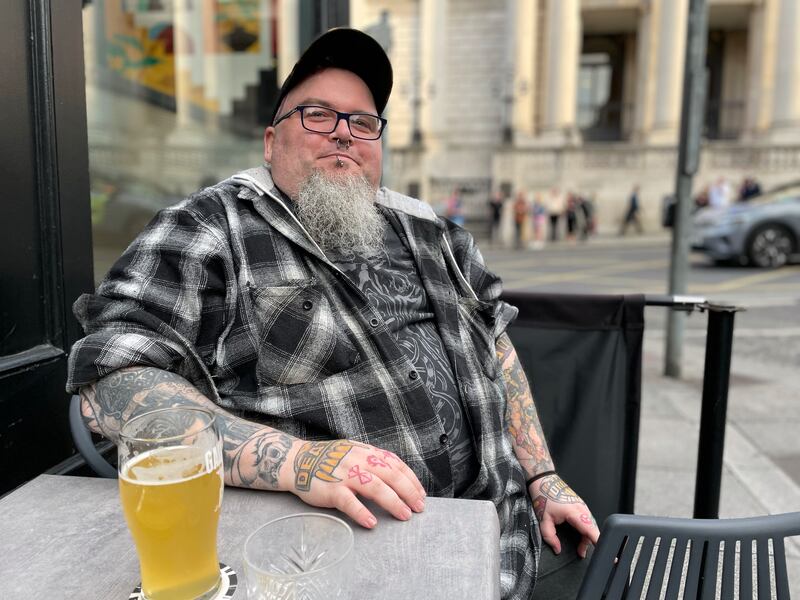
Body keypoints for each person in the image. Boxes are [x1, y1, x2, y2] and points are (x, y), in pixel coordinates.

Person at [66, 28, 597, 600]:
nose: (343, 133)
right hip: (340, 563)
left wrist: (543, 476)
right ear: (271, 142)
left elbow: (495, 343)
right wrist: (300, 462)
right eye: (317, 115)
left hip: (506, 536)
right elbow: (112, 377)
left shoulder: (434, 234)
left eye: (362, 122)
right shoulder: (211, 228)